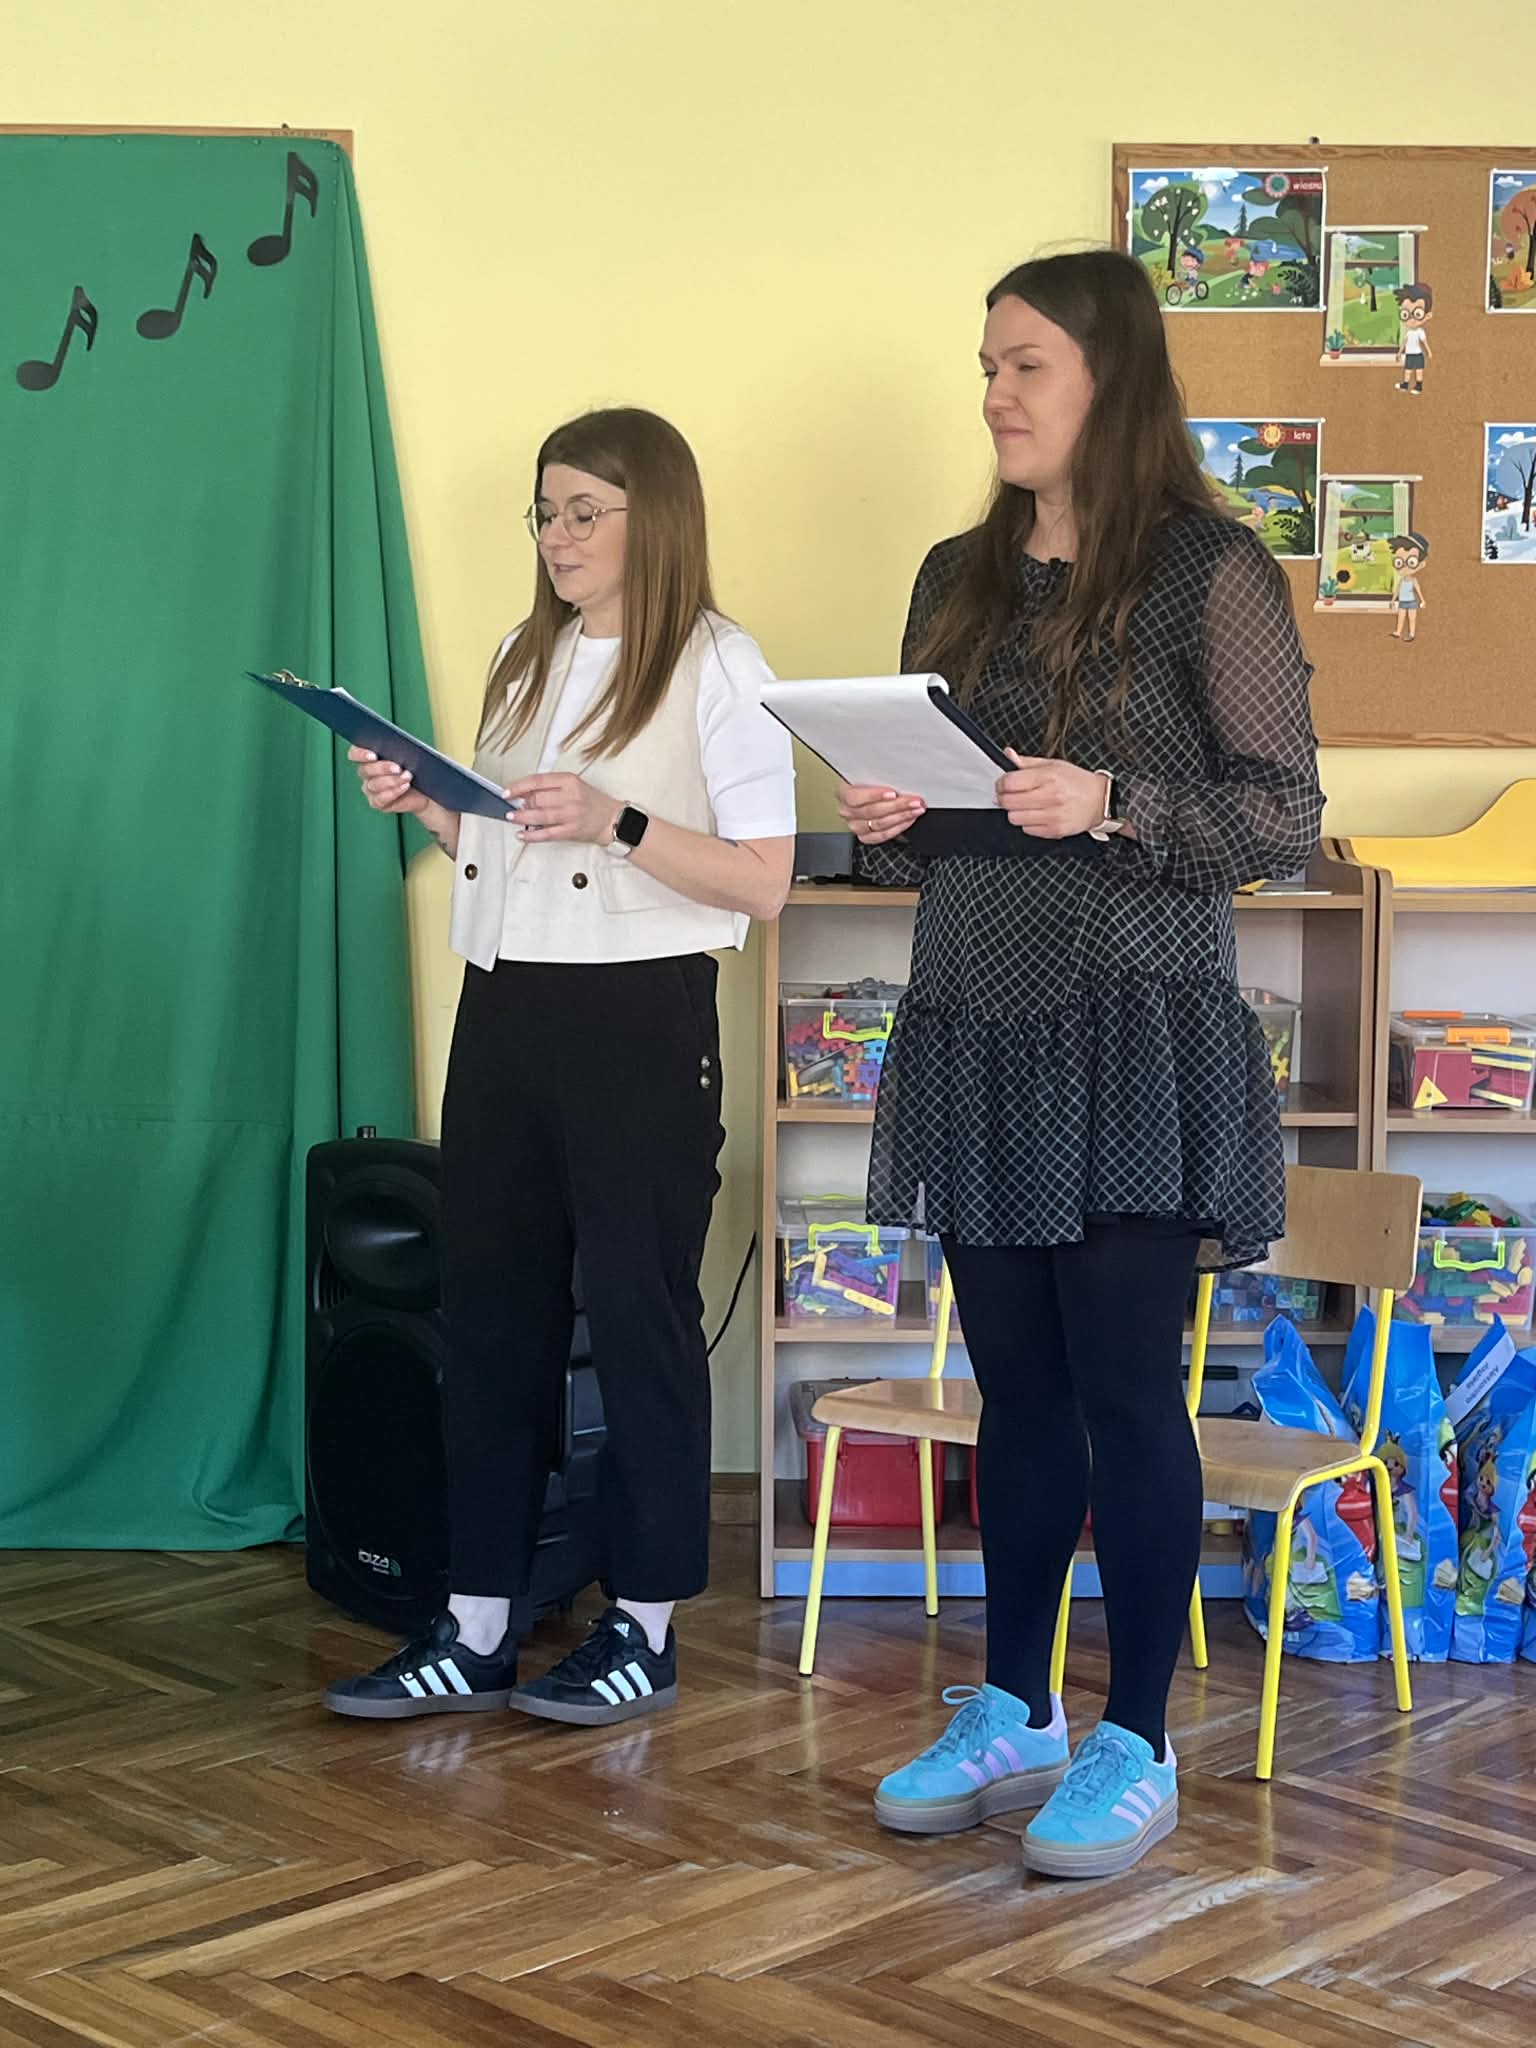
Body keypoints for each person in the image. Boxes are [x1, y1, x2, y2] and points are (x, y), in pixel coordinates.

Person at [838, 250, 1322, 1879]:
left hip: (1131, 1029)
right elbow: (921, 842)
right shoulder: (956, 575)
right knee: (1020, 1395)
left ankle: (1139, 1740)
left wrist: (1112, 802)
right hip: (980, 1018)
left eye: (1025, 364)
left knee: (1126, 1394)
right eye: (986, 365)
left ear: (1110, 378)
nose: (995, 393)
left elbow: (1280, 820)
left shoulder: (1210, 571)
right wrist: (890, 819)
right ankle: (1017, 1708)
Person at [326, 407, 795, 1725]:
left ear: (659, 516)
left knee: (640, 1318)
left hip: (639, 1013)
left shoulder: (720, 664)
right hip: (508, 1008)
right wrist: (432, 804)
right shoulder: (520, 659)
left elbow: (763, 880)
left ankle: (644, 1624)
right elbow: (502, 843)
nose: (557, 535)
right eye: (544, 511)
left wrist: (617, 818)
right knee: (488, 1318)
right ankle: (476, 1622)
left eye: (586, 510)